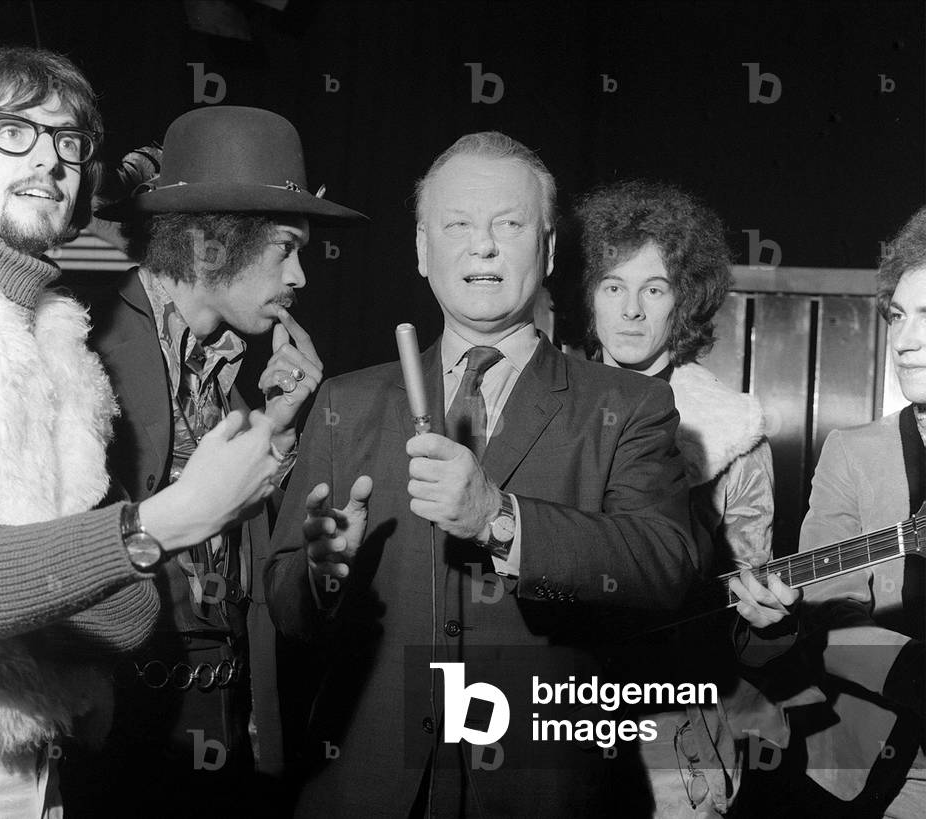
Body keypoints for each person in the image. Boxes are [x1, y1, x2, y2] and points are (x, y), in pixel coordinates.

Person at [265, 132, 703, 817]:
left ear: (550, 249)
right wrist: (321, 576)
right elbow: (285, 606)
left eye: (509, 224)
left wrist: (501, 516)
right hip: (364, 790)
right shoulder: (347, 403)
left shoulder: (628, 405)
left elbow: (666, 564)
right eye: (458, 225)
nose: (484, 245)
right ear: (421, 248)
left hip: (543, 791)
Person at [0, 47, 282, 817]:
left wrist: (31, 577)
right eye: (15, 129)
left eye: (69, 141)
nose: (50, 158)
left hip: (42, 758)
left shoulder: (59, 344)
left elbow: (132, 612)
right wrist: (160, 522)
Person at [58, 106, 365, 817]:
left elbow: (238, 560)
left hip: (219, 725)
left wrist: (276, 430)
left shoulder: (230, 373)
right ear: (204, 251)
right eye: (285, 249)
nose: (300, 276)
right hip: (118, 731)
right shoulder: (85, 340)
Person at [573, 179, 780, 816]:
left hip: (674, 710)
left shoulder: (734, 433)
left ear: (682, 302)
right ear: (589, 296)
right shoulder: (537, 403)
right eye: (613, 286)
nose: (632, 310)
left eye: (653, 289)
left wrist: (771, 625)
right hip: (553, 705)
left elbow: (753, 602)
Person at [731, 206, 926, 818]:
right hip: (884, 774)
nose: (903, 340)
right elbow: (825, 614)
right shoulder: (854, 452)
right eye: (897, 316)